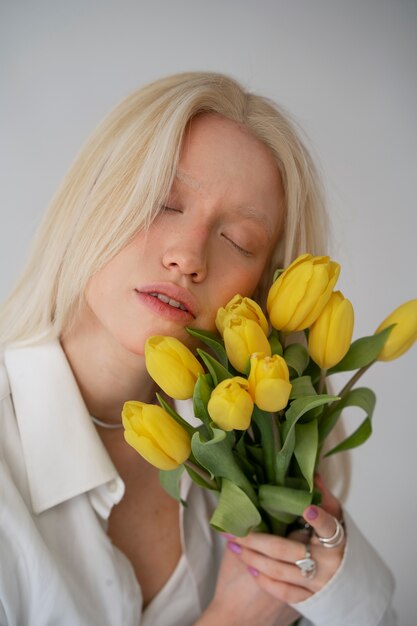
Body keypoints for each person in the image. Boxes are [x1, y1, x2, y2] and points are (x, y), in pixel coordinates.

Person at [0, 72, 395, 626]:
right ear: (91, 201)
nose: (188, 256)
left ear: (261, 291)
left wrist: (339, 588)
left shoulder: (252, 451)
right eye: (164, 203)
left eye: (239, 240)